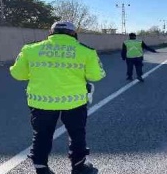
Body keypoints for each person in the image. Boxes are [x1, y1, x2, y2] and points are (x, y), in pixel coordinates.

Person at [10, 21, 106, 174]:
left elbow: (17, 74)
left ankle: (41, 168)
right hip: (74, 102)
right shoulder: (86, 51)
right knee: (77, 134)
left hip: (41, 102)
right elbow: (96, 75)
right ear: (74, 34)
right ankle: (79, 166)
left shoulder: (30, 49)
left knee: (41, 134)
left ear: (51, 33)